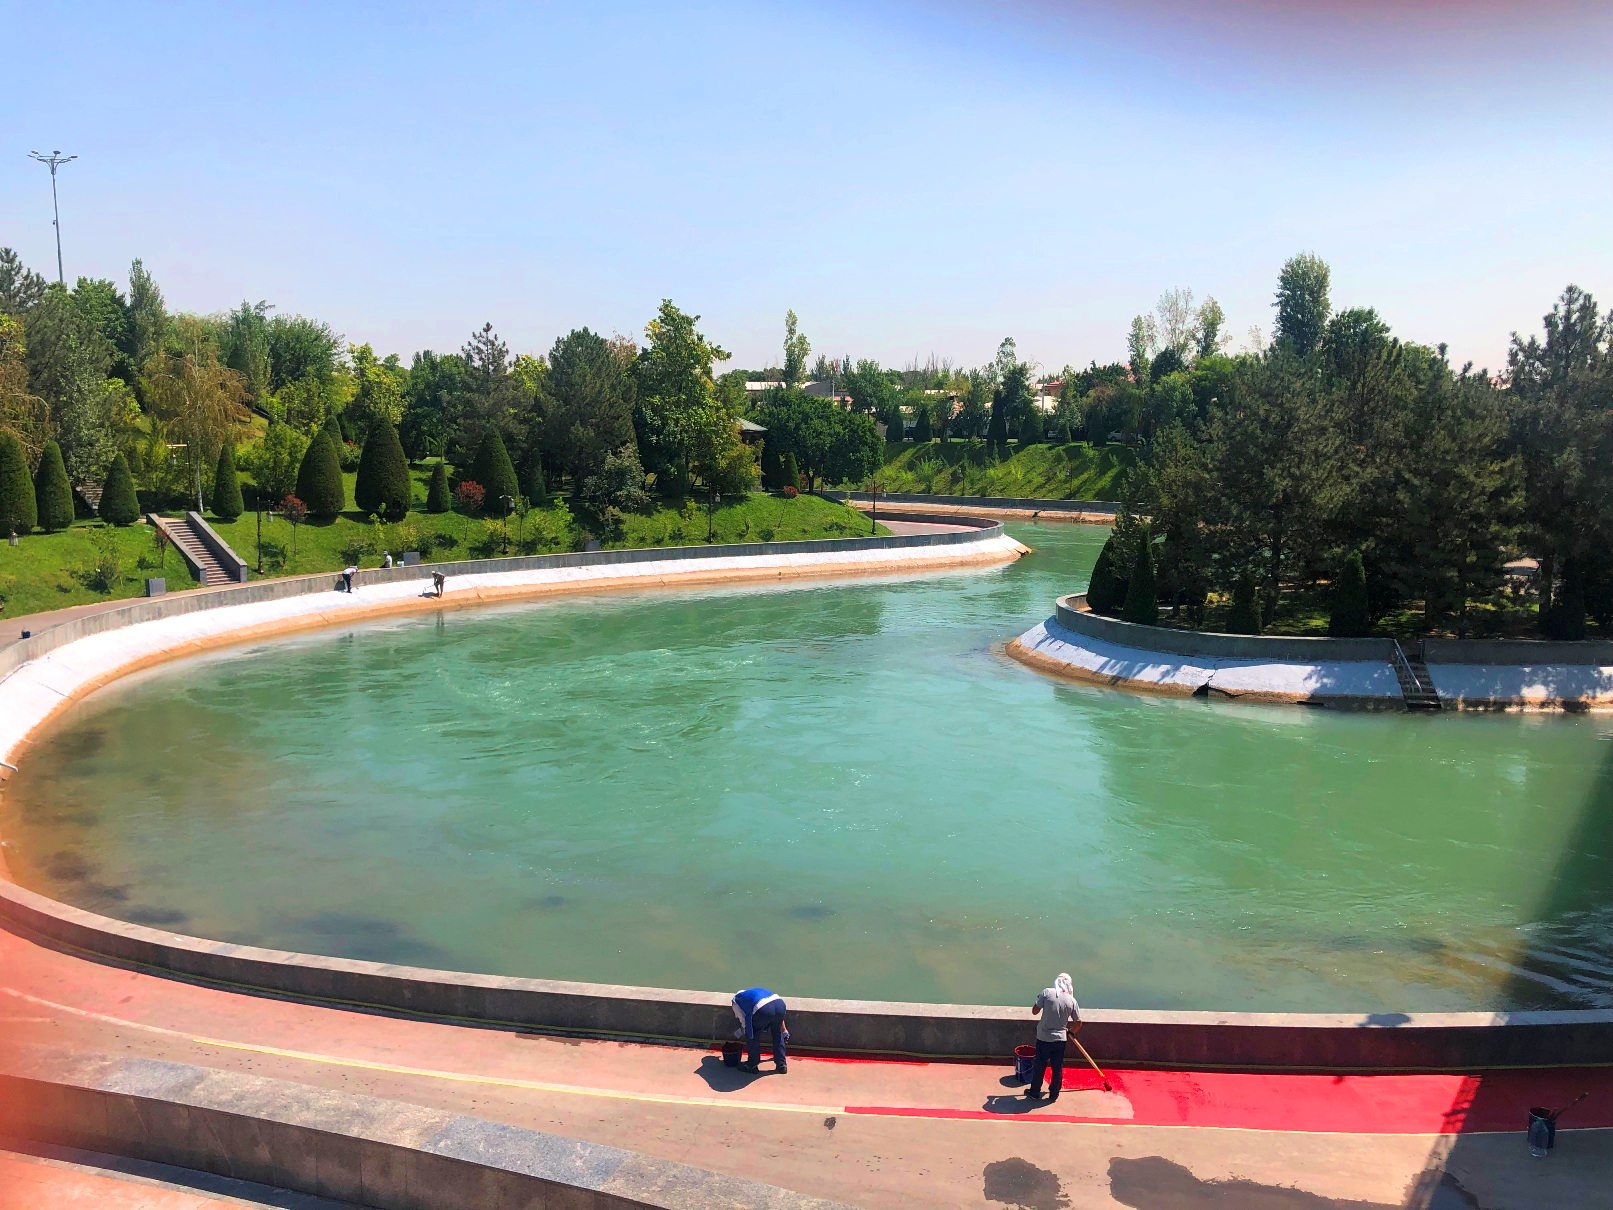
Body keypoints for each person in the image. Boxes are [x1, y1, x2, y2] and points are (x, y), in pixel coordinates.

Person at [1025, 972, 1080, 1102]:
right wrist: (1070, 1032)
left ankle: (1034, 1093)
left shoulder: (1047, 993)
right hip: (1060, 1040)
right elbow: (1078, 1022)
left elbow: (1034, 1011)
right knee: (1057, 1068)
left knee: (1039, 1066)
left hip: (1044, 1038)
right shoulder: (1072, 1000)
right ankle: (1054, 1094)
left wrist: (1039, 999)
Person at [731, 987, 788, 1074]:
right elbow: (778, 1019)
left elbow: (745, 1023)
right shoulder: (751, 994)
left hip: (763, 1009)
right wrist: (784, 1031)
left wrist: (740, 1033)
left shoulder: (736, 1002)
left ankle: (752, 1065)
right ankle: (781, 1064)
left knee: (752, 1034)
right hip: (780, 1004)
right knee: (777, 1032)